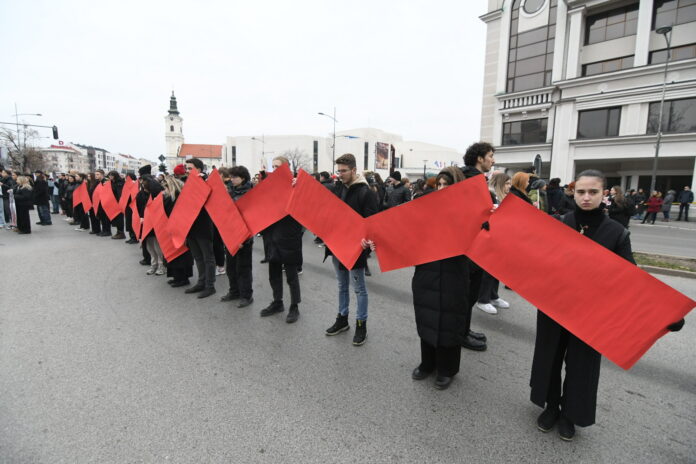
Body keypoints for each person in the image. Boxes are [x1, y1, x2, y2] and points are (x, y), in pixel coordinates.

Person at [530, 169, 685, 442]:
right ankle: (551, 406)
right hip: (555, 307)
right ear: (573, 192)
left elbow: (632, 278)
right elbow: (527, 254)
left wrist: (665, 312)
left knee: (582, 366)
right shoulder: (559, 223)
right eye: (580, 192)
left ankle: (570, 414)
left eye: (593, 192)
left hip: (592, 314)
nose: (586, 197)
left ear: (605, 195)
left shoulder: (616, 232)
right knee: (549, 358)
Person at [409, 167, 472, 390]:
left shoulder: (469, 212)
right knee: (426, 317)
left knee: (450, 322)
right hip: (427, 272)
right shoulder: (426, 208)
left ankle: (447, 369)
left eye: (448, 185)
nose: (443, 189)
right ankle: (427, 363)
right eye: (440, 185)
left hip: (454, 275)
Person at [324, 154, 378, 346]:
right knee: (341, 286)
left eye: (344, 171)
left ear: (354, 170)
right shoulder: (337, 187)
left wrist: (366, 240)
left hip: (355, 250)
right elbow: (318, 197)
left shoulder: (366, 192)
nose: (340, 174)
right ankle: (342, 320)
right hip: (337, 247)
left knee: (359, 289)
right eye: (338, 171)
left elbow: (371, 223)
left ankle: (361, 325)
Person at [459, 142, 498, 351]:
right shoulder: (472, 180)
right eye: (490, 156)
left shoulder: (472, 178)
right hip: (469, 249)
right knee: (467, 295)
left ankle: (464, 330)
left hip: (470, 247)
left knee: (469, 294)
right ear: (479, 158)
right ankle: (461, 334)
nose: (493, 160)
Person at [259, 156, 304, 323]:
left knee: (292, 276)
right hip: (273, 237)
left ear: (286, 168)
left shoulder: (295, 184)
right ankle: (277, 302)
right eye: (274, 166)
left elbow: (302, 209)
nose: (275, 169)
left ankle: (294, 306)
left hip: (289, 237)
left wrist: (296, 188)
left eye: (278, 166)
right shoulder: (271, 186)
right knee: (274, 273)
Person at [476, 172, 511, 315]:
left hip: (500, 237)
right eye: (507, 183)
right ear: (500, 183)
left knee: (496, 270)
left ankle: (493, 295)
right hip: (489, 238)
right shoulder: (490, 195)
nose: (509, 186)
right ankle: (482, 299)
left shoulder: (504, 198)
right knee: (487, 271)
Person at [220, 165, 255, 308]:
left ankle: (246, 295)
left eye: (235, 177)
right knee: (231, 267)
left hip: (244, 238)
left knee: (243, 268)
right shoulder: (230, 192)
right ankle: (234, 291)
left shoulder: (250, 194)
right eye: (231, 177)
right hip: (230, 236)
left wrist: (243, 239)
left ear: (243, 178)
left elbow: (250, 220)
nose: (232, 179)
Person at [183, 158, 217, 299]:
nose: (187, 171)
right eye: (187, 168)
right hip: (191, 226)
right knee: (198, 257)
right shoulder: (187, 183)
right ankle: (201, 282)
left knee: (208, 257)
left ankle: (210, 286)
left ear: (199, 169)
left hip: (203, 226)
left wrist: (203, 181)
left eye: (190, 168)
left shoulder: (206, 182)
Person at [161, 175, 194, 287]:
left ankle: (182, 278)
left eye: (166, 187)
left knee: (180, 255)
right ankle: (176, 277)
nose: (164, 190)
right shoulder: (170, 197)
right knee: (172, 252)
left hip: (179, 228)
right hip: (171, 228)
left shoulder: (176, 198)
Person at [141, 175, 165, 275]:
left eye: (143, 184)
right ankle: (153, 264)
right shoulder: (141, 195)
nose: (142, 186)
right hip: (146, 223)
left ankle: (161, 265)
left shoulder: (158, 196)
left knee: (157, 247)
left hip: (155, 224)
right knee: (149, 246)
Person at [107, 170, 126, 239]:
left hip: (118, 203)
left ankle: (121, 233)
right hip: (113, 203)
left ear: (115, 176)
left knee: (119, 219)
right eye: (109, 175)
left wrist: (119, 203)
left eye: (111, 175)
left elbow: (120, 194)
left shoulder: (119, 183)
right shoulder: (112, 182)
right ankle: (118, 232)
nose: (110, 177)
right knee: (116, 219)